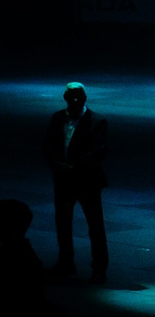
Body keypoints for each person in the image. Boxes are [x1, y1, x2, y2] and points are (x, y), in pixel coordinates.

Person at [44, 81, 109, 281]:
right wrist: (57, 165)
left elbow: (98, 150)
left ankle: (98, 268)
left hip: (87, 180)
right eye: (71, 96)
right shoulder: (57, 118)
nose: (74, 99)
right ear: (65, 98)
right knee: (63, 223)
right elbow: (48, 145)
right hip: (65, 179)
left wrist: (70, 166)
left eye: (78, 96)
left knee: (94, 225)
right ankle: (66, 263)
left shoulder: (97, 121)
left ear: (84, 98)